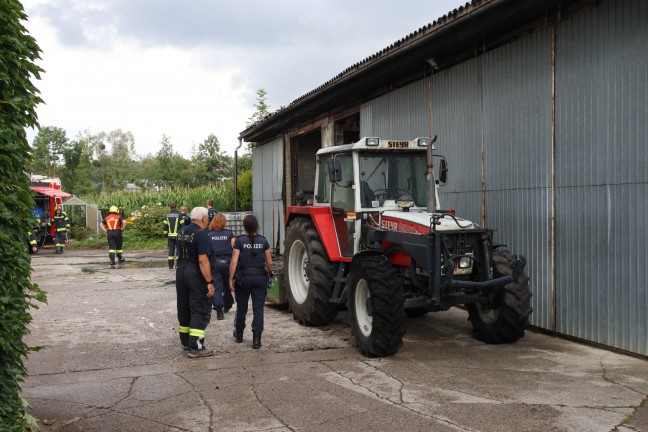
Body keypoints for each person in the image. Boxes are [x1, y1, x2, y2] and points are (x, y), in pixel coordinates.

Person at [176, 207, 215, 358]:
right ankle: (196, 346)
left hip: (181, 271)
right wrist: (209, 281)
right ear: (204, 218)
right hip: (194, 273)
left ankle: (185, 341)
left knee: (184, 306)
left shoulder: (182, 232)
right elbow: (203, 260)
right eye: (207, 218)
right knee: (199, 307)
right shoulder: (202, 235)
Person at [229, 214, 272, 349]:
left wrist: (230, 278)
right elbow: (269, 262)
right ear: (256, 226)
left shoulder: (239, 241)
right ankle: (257, 340)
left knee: (242, 307)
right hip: (260, 278)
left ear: (244, 226)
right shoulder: (263, 241)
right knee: (258, 309)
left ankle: (239, 334)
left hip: (243, 279)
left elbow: (234, 261)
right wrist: (269, 273)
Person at [207, 213, 235, 320]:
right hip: (228, 263)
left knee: (217, 287)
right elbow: (235, 248)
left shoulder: (209, 235)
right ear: (224, 222)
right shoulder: (229, 234)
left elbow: (207, 251)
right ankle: (228, 304)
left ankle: (219, 310)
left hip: (215, 264)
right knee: (228, 286)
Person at [163, 203, 185, 269]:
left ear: (170, 207)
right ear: (176, 207)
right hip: (178, 236)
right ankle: (178, 265)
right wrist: (182, 235)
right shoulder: (179, 215)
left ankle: (170, 266)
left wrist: (165, 235)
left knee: (171, 250)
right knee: (178, 250)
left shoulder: (167, 215)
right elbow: (183, 226)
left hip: (170, 236)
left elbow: (165, 226)